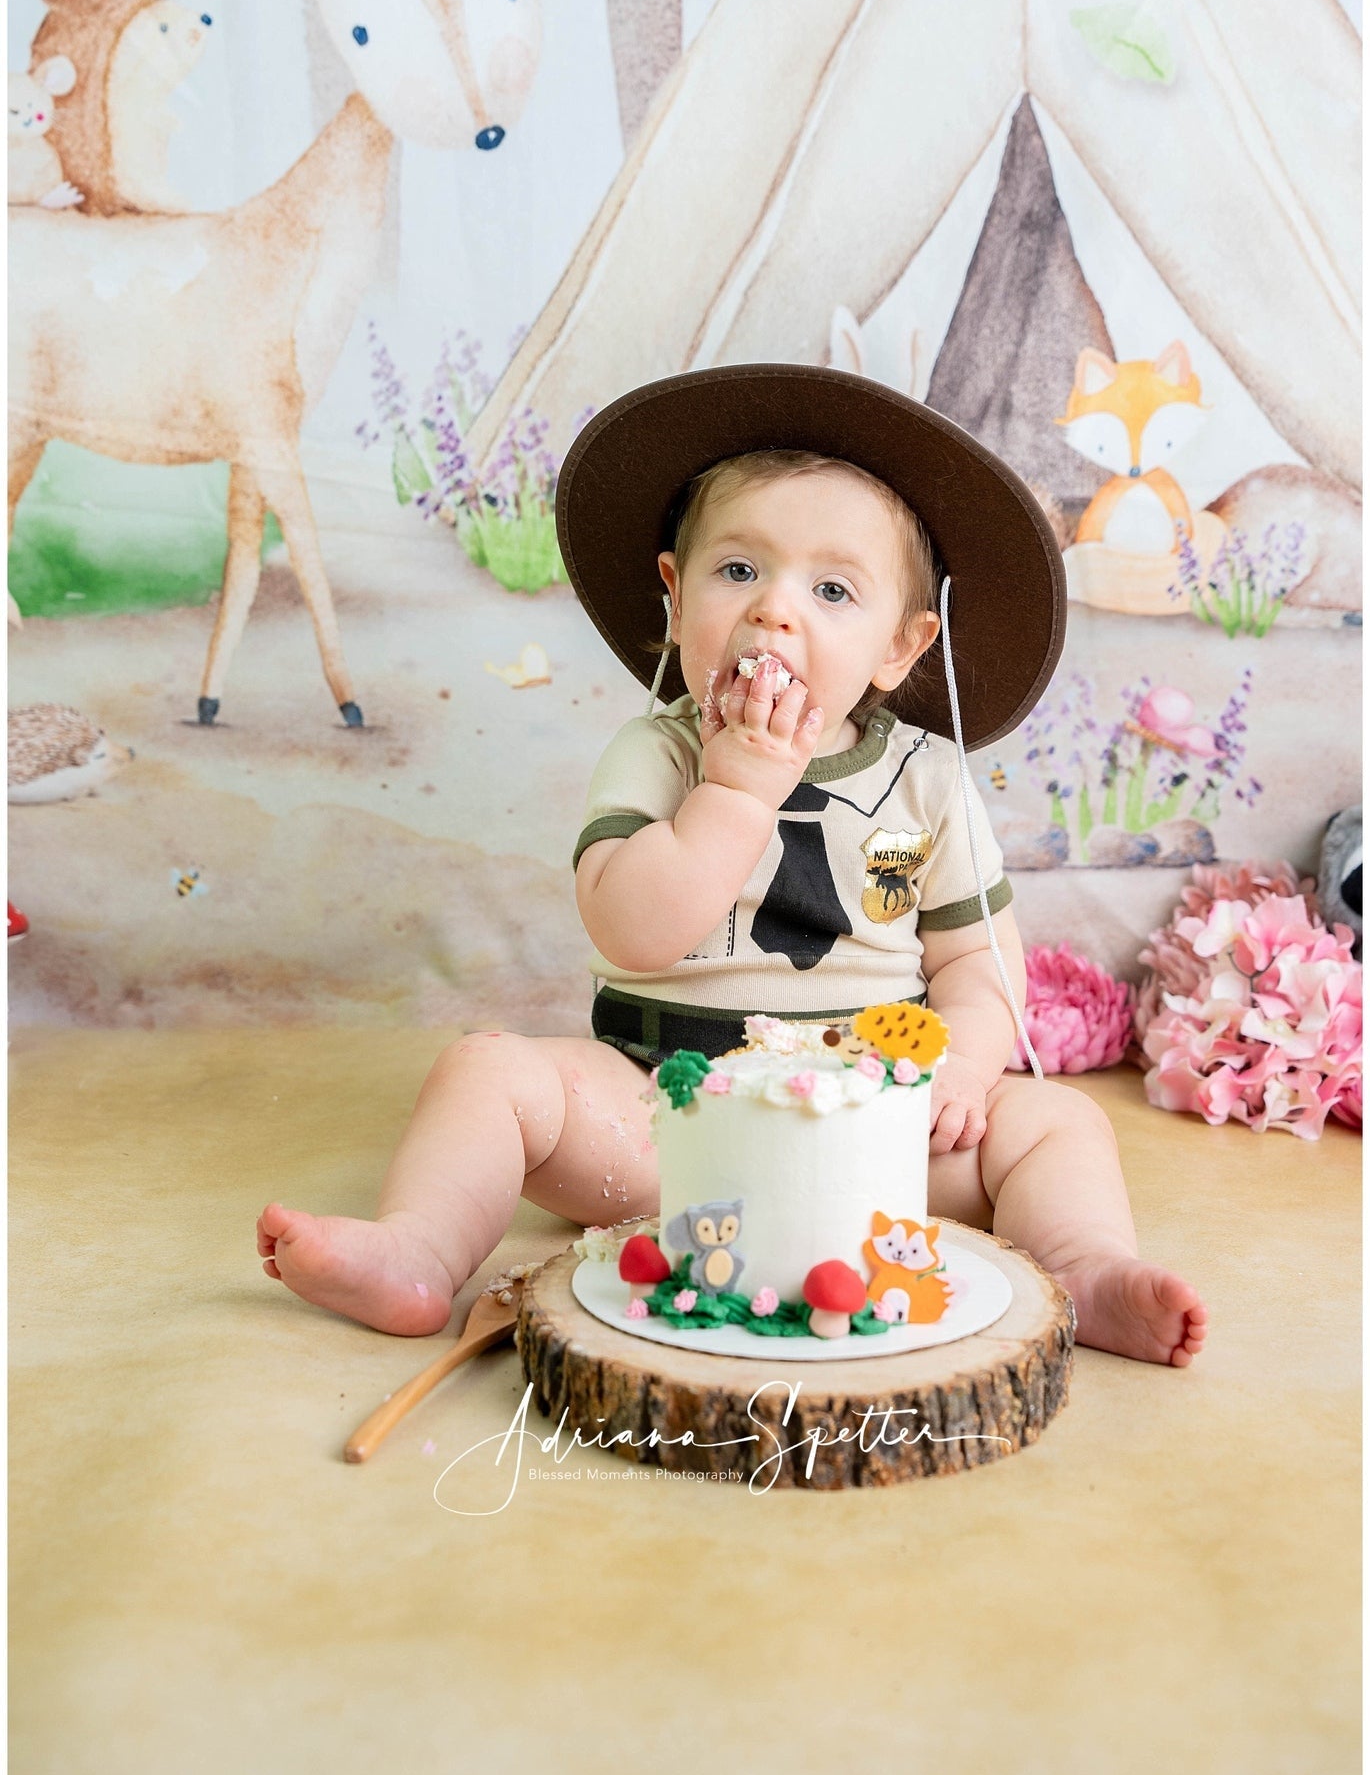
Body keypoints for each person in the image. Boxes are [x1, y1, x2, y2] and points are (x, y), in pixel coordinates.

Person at [257, 366, 1208, 1367]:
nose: (774, 613)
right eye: (738, 571)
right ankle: (419, 1249)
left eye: (831, 589)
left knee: (1055, 1123)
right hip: (663, 1120)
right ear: (672, 597)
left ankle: (1087, 1271)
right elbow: (632, 927)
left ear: (899, 644)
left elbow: (978, 963)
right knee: (487, 1070)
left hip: (870, 1130)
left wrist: (960, 1066)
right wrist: (737, 790)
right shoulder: (656, 753)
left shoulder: (924, 782)